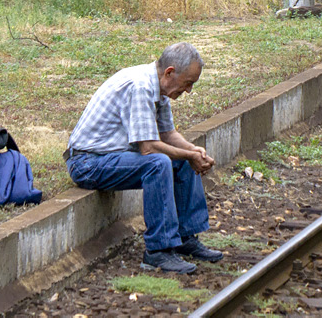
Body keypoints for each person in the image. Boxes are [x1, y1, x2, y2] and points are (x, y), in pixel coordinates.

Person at [64, 42, 222, 273]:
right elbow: (148, 148)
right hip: (88, 163)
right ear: (170, 72)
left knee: (183, 160)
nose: (188, 90)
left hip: (113, 157)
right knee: (158, 163)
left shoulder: (160, 87)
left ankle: (185, 238)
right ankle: (157, 251)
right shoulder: (140, 86)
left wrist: (193, 150)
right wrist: (188, 154)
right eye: (188, 83)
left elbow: (168, 134)